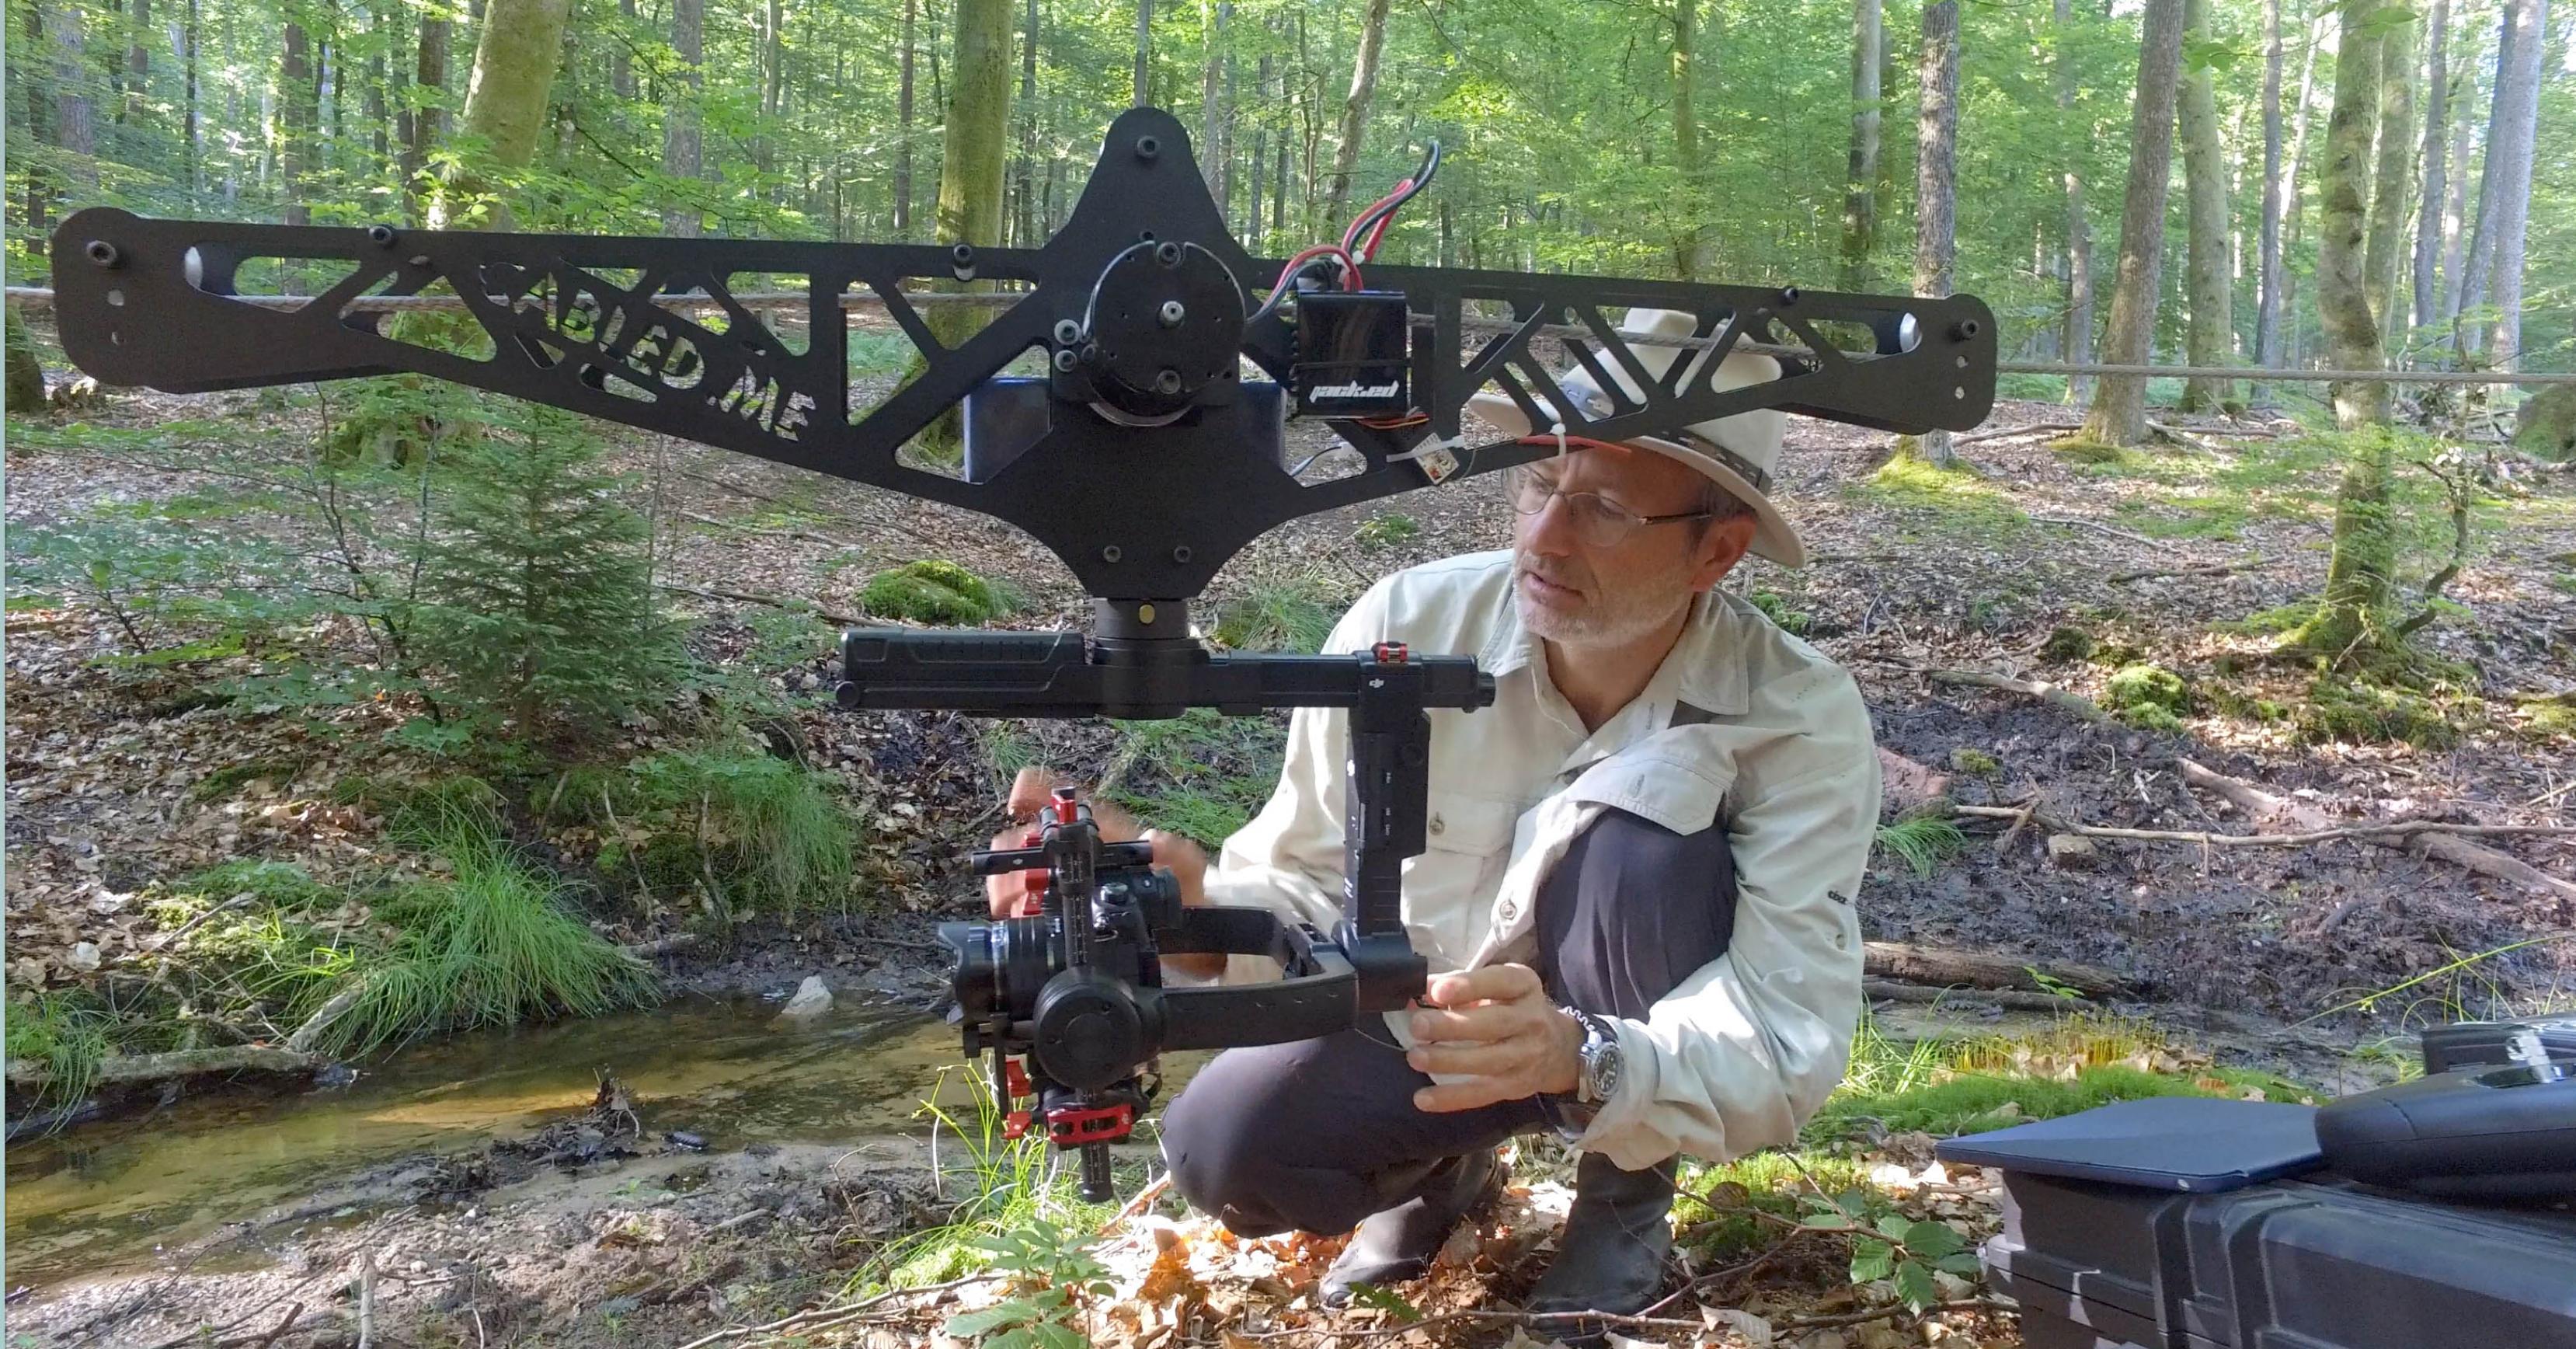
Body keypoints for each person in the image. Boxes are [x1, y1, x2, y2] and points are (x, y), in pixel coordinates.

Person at [987, 308, 1878, 1324]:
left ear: (1716, 553)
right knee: (1223, 1151)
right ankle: (1440, 1175)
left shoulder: (1796, 716)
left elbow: (1786, 1032)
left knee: (1640, 850)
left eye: (1606, 511)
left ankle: (1625, 1206)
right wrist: (1187, 907)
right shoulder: (1405, 622)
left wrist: (1578, 1055)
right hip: (1423, 1025)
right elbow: (1305, 885)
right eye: (1541, 484)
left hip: (1618, 1052)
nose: (1544, 536)